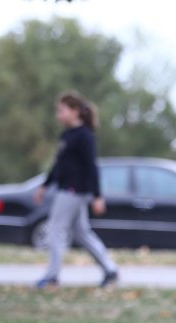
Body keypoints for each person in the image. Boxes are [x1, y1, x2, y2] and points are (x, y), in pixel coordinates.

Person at [34, 91, 119, 289]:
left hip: (74, 191)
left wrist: (97, 196)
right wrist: (45, 186)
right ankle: (110, 270)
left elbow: (92, 167)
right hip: (66, 189)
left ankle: (52, 277)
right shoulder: (66, 135)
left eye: (61, 110)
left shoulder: (85, 136)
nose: (58, 115)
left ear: (74, 111)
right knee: (82, 233)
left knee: (55, 229)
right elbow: (58, 166)